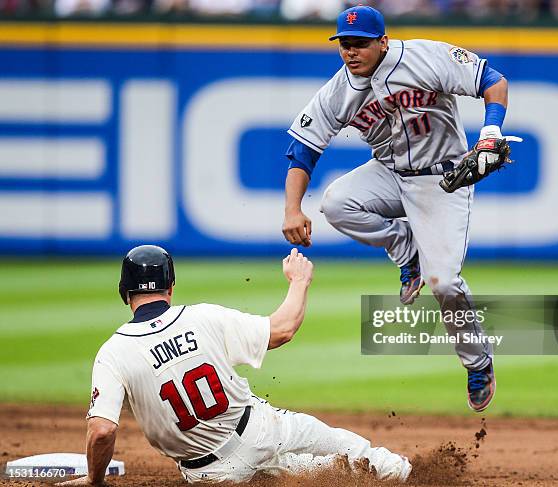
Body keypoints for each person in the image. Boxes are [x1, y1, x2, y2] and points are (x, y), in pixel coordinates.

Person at [282, 5, 504, 412]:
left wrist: (491, 130)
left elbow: (492, 80)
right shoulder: (339, 90)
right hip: (389, 172)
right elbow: (303, 148)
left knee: (444, 284)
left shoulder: (424, 57)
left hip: (443, 179)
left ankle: (478, 362)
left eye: (361, 44)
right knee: (336, 202)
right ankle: (406, 251)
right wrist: (292, 209)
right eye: (345, 44)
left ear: (383, 41)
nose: (352, 52)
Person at [60, 245, 411, 485]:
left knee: (304, 474)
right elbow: (283, 329)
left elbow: (102, 430)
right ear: (171, 286)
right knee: (354, 455)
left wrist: (94, 479)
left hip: (210, 476)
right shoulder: (202, 317)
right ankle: (405, 473)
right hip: (260, 431)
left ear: (125, 292)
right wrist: (300, 281)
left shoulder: (113, 352)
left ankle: (326, 472)